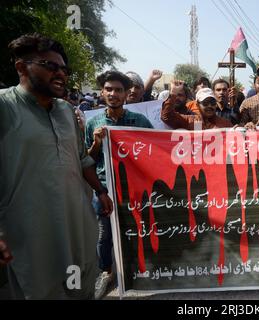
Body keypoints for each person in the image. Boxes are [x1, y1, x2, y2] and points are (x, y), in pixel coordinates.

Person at [0, 33, 113, 299]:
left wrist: (100, 191)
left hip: (75, 224)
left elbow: (81, 158)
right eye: (50, 66)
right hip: (30, 232)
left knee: (79, 287)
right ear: (21, 67)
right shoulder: (5, 106)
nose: (60, 73)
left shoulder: (65, 111)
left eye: (64, 68)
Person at [85, 70, 153, 300]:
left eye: (118, 90)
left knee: (136, 230)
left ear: (126, 94)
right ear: (102, 92)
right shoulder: (94, 123)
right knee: (104, 235)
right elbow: (88, 160)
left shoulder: (140, 121)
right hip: (104, 188)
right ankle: (106, 272)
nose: (113, 94)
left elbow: (154, 150)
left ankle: (136, 270)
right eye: (109, 89)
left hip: (133, 188)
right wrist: (96, 143)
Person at [161, 81, 232, 130]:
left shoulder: (225, 124)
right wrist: (173, 93)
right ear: (197, 105)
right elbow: (167, 116)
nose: (210, 106)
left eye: (212, 102)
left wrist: (237, 132)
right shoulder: (190, 120)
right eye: (205, 103)